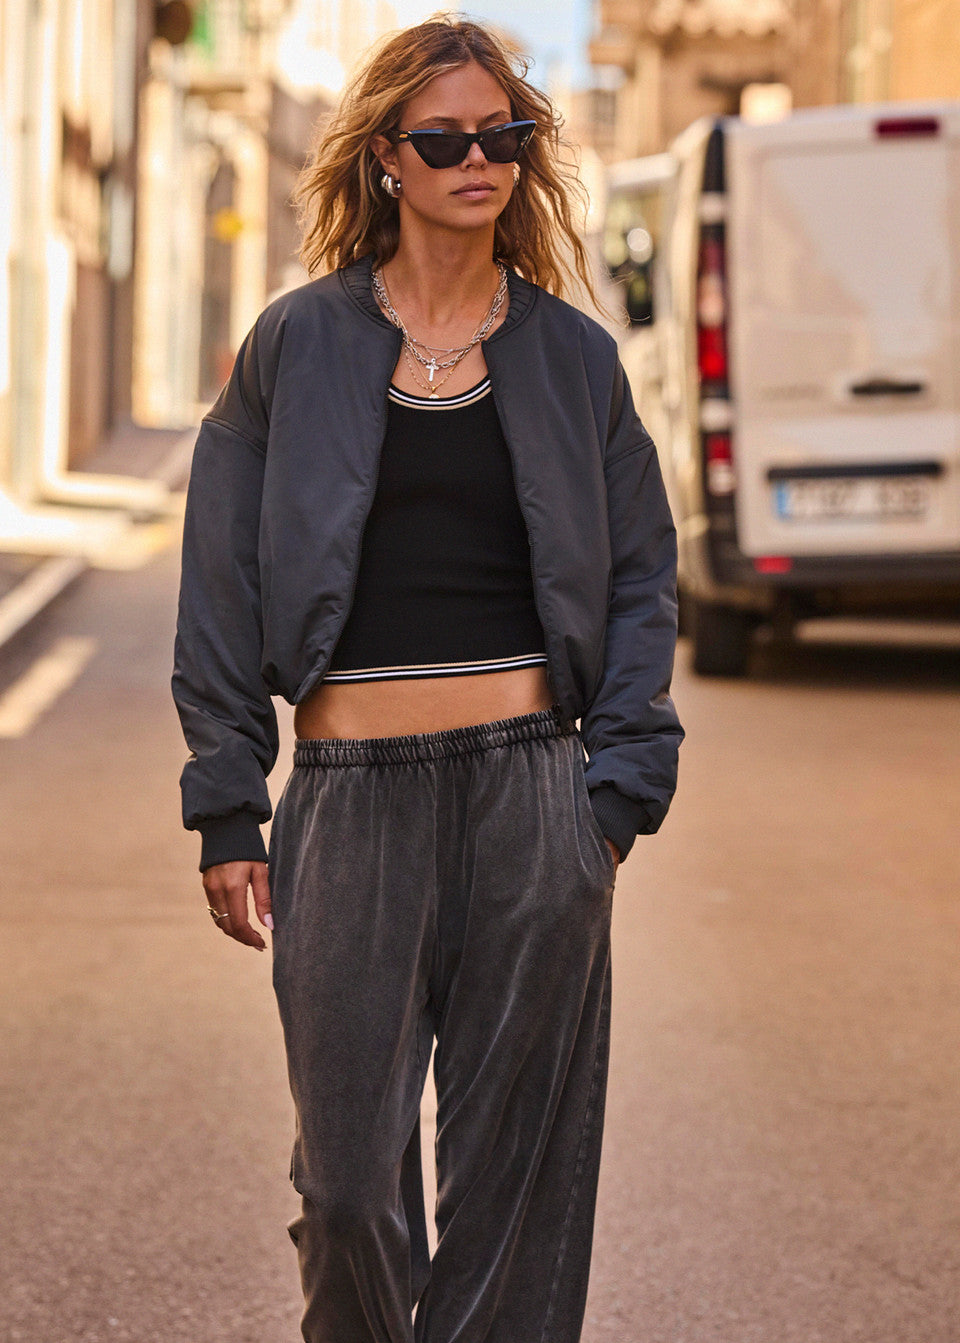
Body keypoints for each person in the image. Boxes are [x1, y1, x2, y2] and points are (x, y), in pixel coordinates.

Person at [172, 14, 683, 1342]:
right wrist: (230, 799)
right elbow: (221, 582)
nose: (479, 159)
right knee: (348, 1193)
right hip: (350, 801)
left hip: (534, 801)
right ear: (387, 159)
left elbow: (639, 581)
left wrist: (613, 797)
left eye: (504, 134)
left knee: (515, 1200)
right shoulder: (298, 347)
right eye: (446, 138)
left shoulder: (576, 361)